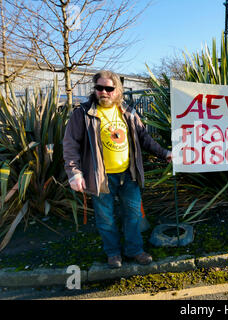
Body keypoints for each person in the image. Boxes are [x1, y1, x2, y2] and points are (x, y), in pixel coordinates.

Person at [63, 70, 172, 268]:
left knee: (133, 215)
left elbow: (144, 138)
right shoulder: (83, 114)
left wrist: (164, 154)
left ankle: (134, 250)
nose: (104, 92)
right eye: (99, 88)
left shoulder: (128, 112)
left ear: (117, 90)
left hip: (128, 175)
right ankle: (113, 253)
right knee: (106, 218)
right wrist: (75, 172)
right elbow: (70, 145)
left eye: (109, 88)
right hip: (100, 177)